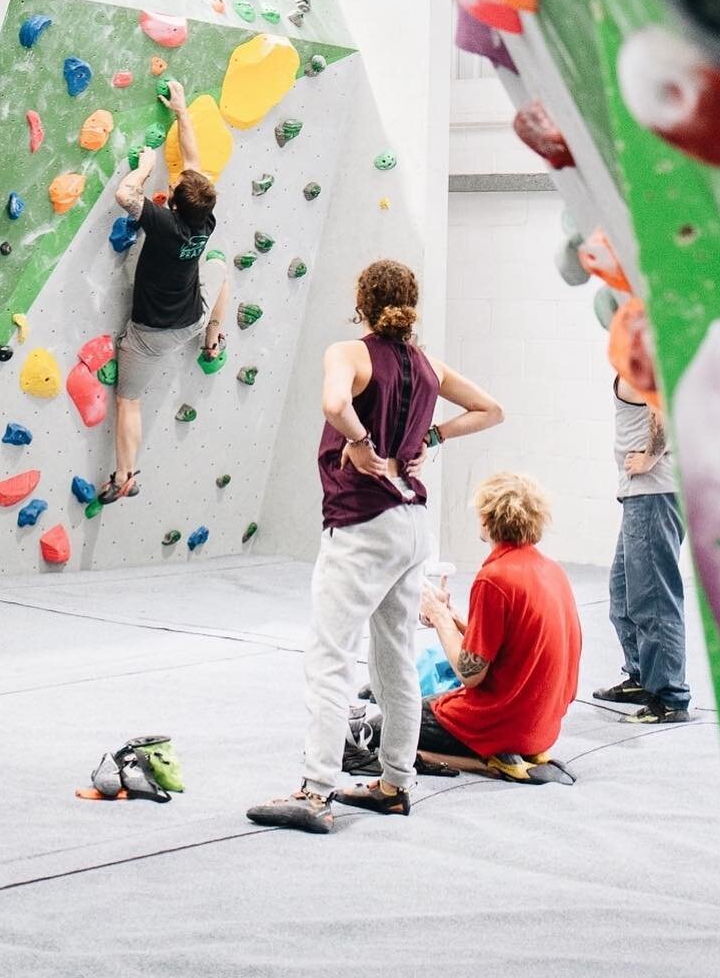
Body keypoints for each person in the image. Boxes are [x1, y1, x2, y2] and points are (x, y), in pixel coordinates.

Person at [247, 259, 503, 832]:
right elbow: (492, 409)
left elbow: (336, 406)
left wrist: (360, 443)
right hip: (413, 521)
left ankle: (316, 792)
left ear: (361, 303)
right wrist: (432, 435)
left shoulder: (348, 354)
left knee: (329, 658)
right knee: (393, 657)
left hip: (363, 523)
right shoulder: (428, 364)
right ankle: (394, 783)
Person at [345, 471, 582, 776]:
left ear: (486, 518)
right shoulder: (551, 570)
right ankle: (495, 756)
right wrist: (455, 618)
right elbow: (512, 643)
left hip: (503, 724)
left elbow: (470, 674)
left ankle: (484, 762)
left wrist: (441, 618)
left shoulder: (495, 578)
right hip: (542, 726)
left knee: (385, 726)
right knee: (423, 704)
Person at [100, 78, 229, 504]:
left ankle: (125, 475)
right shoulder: (204, 220)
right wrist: (182, 109)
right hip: (192, 319)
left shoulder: (164, 223)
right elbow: (194, 160)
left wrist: (143, 167)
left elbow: (124, 193)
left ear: (172, 203)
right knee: (220, 267)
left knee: (129, 401)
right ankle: (214, 340)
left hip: (151, 335)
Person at [592, 375, 691, 723]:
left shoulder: (643, 361)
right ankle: (641, 676)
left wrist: (650, 457)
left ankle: (670, 698)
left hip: (653, 492)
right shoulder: (637, 358)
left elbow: (660, 405)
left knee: (654, 599)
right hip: (642, 496)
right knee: (622, 595)